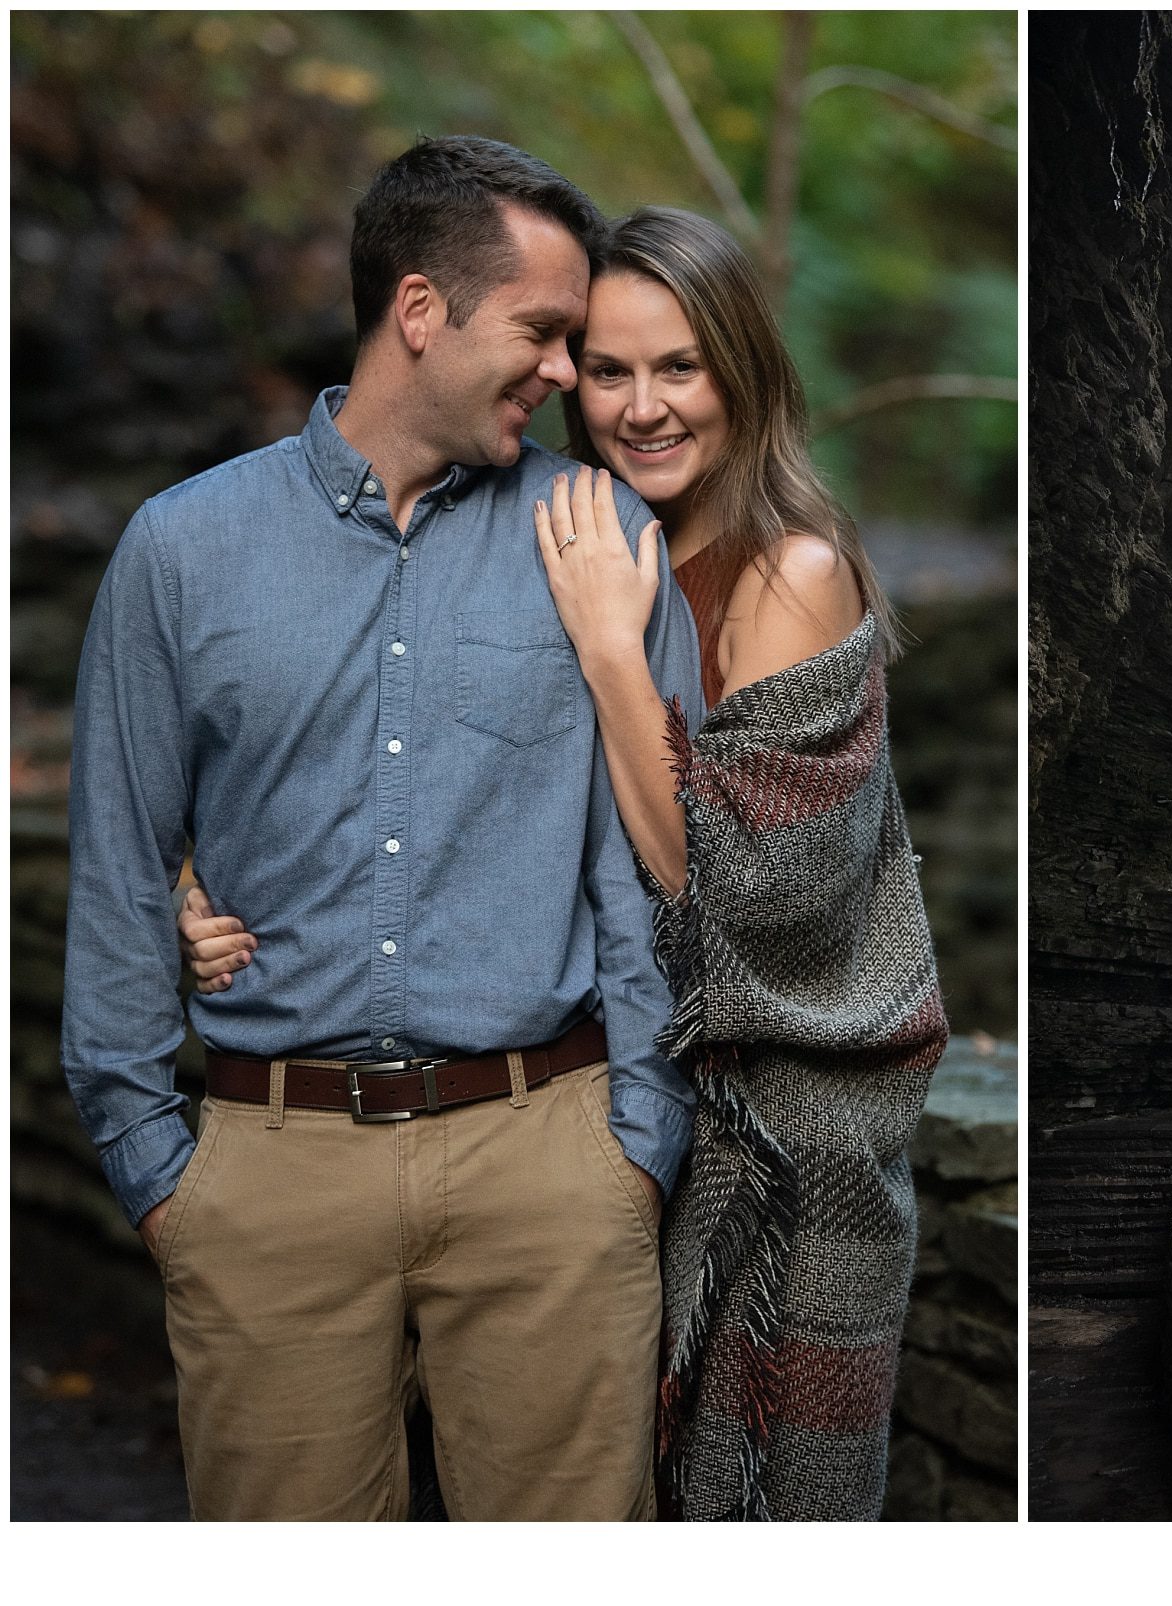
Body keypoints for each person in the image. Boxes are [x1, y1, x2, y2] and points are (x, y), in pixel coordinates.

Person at [186, 206, 947, 1521]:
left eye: (681, 367)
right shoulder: (573, 535)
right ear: (564, 379)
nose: (644, 406)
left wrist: (609, 647)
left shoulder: (790, 571)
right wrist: (211, 884)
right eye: (609, 369)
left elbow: (731, 891)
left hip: (792, 1161)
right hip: (621, 1119)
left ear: (744, 374)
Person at [65, 136, 702, 1521]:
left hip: (552, 1162)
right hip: (269, 1173)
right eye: (543, 334)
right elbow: (119, 862)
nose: (563, 376)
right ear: (422, 311)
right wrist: (158, 1170)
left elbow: (653, 864)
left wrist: (634, 1144)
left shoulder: (601, 539)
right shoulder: (183, 548)